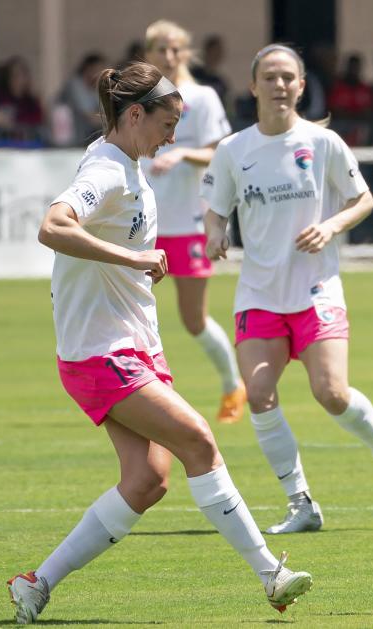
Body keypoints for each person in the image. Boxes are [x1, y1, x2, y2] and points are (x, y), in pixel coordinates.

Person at [7, 61, 312, 625]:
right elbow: (52, 226)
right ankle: (271, 573)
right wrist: (136, 257)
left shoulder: (127, 163)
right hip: (101, 352)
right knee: (200, 440)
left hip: (129, 346)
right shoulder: (106, 168)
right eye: (167, 124)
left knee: (148, 481)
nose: (172, 138)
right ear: (136, 114)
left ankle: (36, 582)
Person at [201, 44, 373, 534]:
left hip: (316, 289)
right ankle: (300, 502)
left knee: (331, 393)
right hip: (259, 293)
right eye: (270, 77)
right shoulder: (234, 150)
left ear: (301, 86)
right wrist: (216, 231)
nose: (279, 86)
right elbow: (215, 208)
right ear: (253, 85)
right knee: (258, 393)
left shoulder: (323, 143)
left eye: (288, 78)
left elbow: (361, 198)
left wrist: (331, 226)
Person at [140, 20, 246, 424]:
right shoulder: (143, 99)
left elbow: (221, 150)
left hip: (188, 222)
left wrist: (183, 156)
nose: (167, 56)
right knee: (133, 313)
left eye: (174, 49)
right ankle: (145, 394)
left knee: (193, 319)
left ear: (185, 53)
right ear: (148, 53)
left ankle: (231, 384)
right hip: (146, 225)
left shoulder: (201, 97)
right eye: (159, 49)